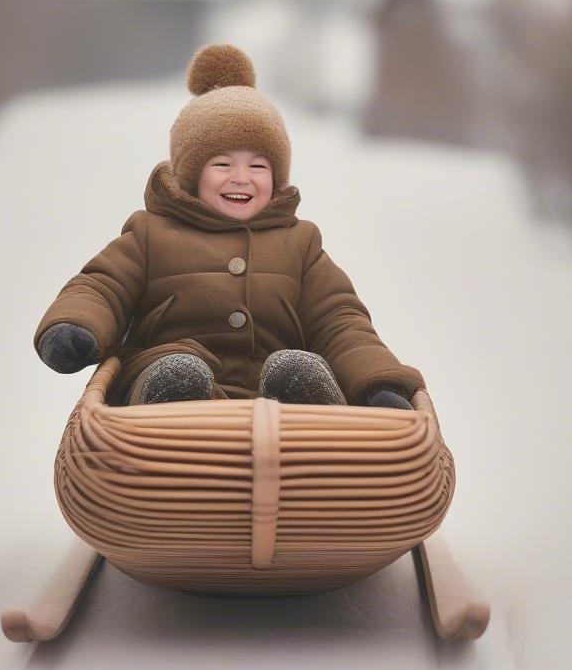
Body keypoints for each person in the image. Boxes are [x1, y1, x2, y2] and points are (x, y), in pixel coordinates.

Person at [34, 43, 422, 409]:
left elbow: (340, 321)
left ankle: (314, 422)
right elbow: (103, 285)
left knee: (295, 367)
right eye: (222, 165)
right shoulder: (150, 234)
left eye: (258, 166)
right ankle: (172, 418)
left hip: (272, 398)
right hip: (167, 373)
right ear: (191, 176)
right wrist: (76, 325)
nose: (241, 177)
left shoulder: (300, 243)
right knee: (177, 369)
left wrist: (378, 383)